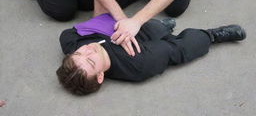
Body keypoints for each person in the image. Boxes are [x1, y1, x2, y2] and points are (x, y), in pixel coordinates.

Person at [56, 13, 246, 95]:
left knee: (151, 25)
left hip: (126, 29)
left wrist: (121, 27)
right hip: (148, 48)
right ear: (100, 77)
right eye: (90, 61)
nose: (88, 50)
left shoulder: (70, 41)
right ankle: (212, 35)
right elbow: (166, 49)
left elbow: (72, 31)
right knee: (177, 47)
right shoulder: (138, 65)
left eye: (79, 53)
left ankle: (161, 27)